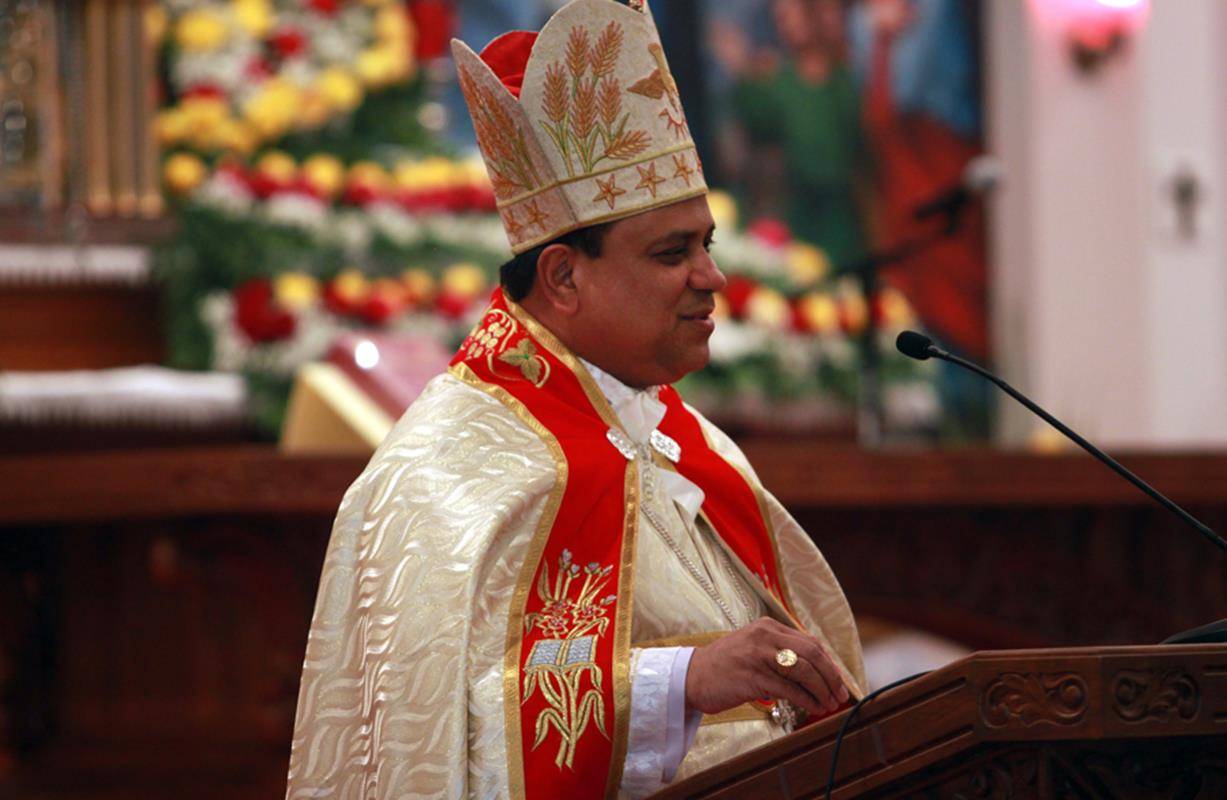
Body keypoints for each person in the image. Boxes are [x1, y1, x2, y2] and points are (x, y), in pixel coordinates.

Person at [286, 2, 866, 798]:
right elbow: (433, 743)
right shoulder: (443, 473)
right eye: (672, 253)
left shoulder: (687, 442)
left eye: (707, 244)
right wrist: (682, 680)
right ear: (562, 277)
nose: (711, 277)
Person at [714, 0, 872, 269]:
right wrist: (743, 72)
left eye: (791, 15)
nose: (784, 24)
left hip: (841, 218)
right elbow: (756, 123)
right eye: (780, 17)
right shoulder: (777, 80)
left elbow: (860, 148)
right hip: (796, 215)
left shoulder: (845, 80)